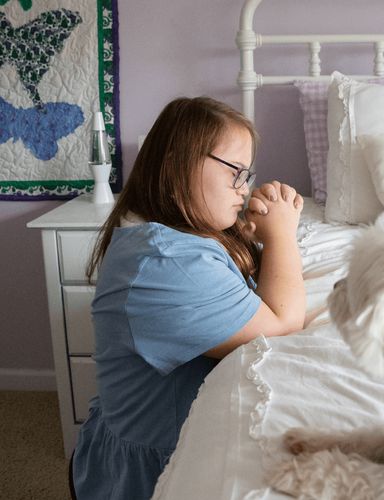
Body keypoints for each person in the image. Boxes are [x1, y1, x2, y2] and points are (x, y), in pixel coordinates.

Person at [71, 96, 305, 500]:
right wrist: (282, 234)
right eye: (235, 171)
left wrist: (257, 242)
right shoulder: (165, 261)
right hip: (148, 470)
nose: (244, 187)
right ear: (179, 161)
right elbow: (281, 327)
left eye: (247, 174)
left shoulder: (176, 238)